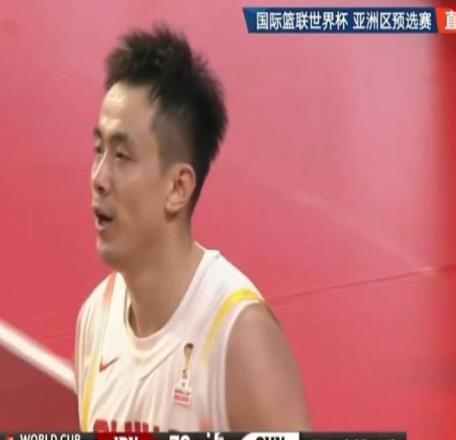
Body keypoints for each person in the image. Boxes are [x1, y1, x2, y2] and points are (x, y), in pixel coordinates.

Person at [74, 24, 310, 432]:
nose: (99, 178)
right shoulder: (96, 321)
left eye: (122, 156)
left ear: (178, 188)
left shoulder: (239, 339)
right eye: (99, 150)